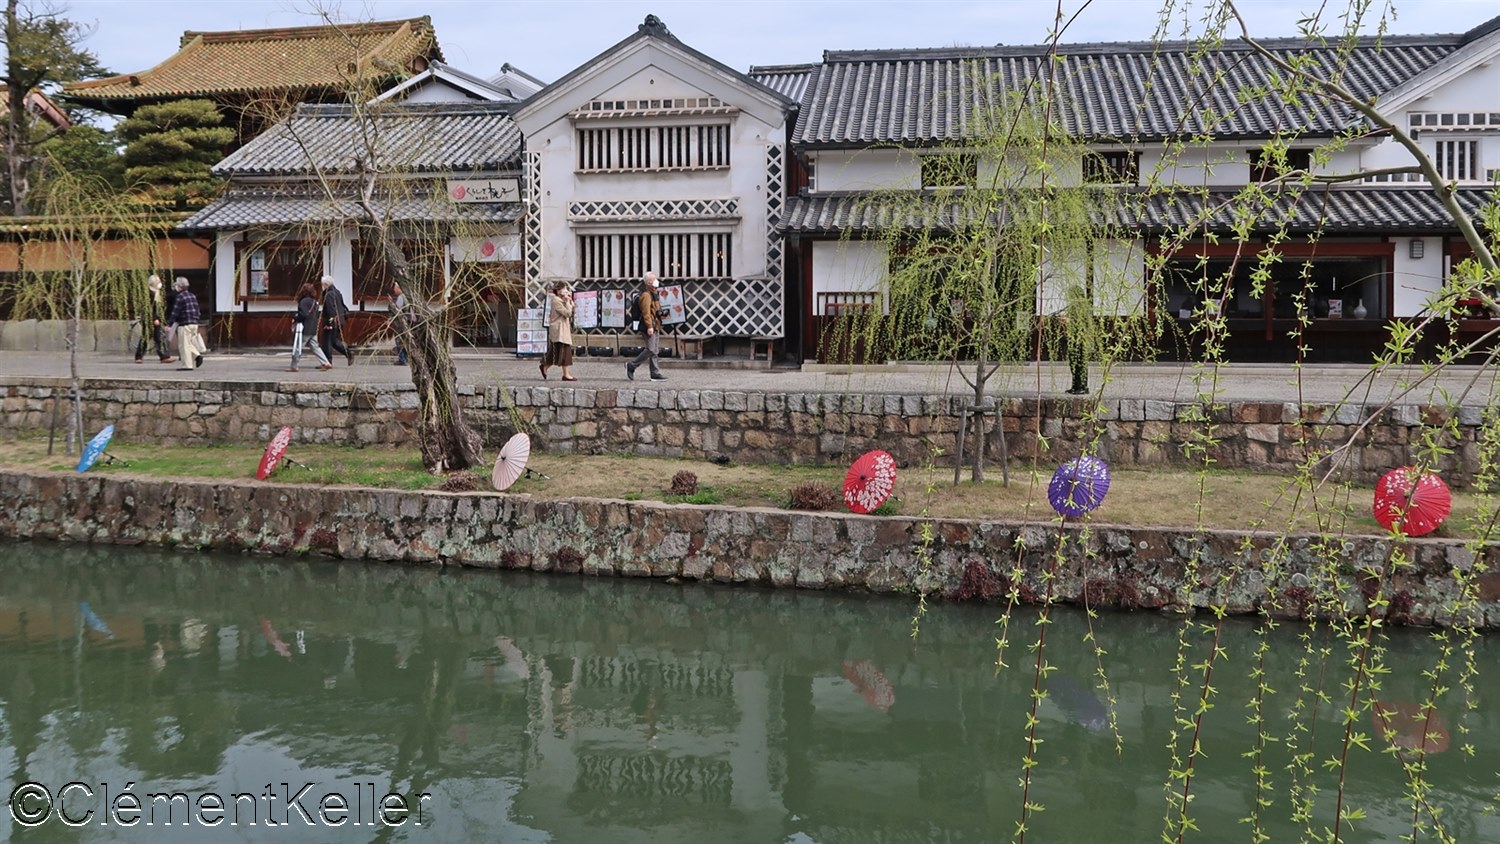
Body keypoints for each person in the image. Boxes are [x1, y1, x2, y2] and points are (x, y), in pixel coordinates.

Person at [625, 272, 667, 382]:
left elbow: (655, 310)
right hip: (649, 325)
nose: (657, 281)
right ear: (649, 283)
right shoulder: (646, 296)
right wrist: (649, 326)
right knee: (651, 349)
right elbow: (646, 313)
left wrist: (662, 314)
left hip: (656, 324)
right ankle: (632, 365)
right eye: (654, 280)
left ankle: (655, 372)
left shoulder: (654, 294)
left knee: (655, 350)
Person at [288, 281, 332, 372]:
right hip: (313, 327)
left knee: (298, 346)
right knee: (315, 346)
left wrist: (296, 317)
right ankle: (326, 362)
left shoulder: (303, 302)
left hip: (304, 328)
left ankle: (294, 366)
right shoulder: (314, 302)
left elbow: (303, 314)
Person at [134, 274, 175, 364]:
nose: (160, 283)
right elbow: (148, 308)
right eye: (158, 281)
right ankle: (163, 356)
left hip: (156, 319)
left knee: (157, 337)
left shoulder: (158, 292)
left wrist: (162, 320)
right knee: (149, 337)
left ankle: (162, 356)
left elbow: (159, 309)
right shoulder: (148, 293)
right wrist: (154, 318)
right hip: (149, 319)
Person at [167, 277, 207, 370]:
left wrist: (170, 324)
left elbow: (175, 312)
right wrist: (196, 320)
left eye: (176, 285)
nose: (175, 286)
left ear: (180, 286)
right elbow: (197, 310)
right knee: (189, 343)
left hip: (184, 324)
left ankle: (188, 365)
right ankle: (196, 357)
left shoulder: (180, 297)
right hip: (194, 323)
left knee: (184, 345)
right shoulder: (192, 295)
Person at [540, 280, 577, 381]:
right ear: (558, 290)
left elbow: (572, 309)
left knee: (556, 351)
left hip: (562, 330)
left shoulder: (561, 300)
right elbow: (567, 313)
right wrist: (567, 302)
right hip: (559, 330)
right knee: (564, 351)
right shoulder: (556, 301)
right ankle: (566, 374)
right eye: (564, 289)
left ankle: (545, 366)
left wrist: (569, 301)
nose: (566, 291)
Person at [1063, 285, 1092, 395]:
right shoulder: (1075, 306)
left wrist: (1069, 321)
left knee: (1079, 363)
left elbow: (1081, 323)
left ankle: (1082, 387)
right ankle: (1076, 386)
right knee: (1075, 363)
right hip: (1075, 338)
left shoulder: (1081, 307)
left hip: (1079, 339)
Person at [319, 275, 354, 366]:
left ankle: (327, 362)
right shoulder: (337, 292)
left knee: (327, 342)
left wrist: (329, 323)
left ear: (326, 285)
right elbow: (342, 306)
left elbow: (331, 310)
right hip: (339, 321)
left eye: (322, 285)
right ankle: (348, 353)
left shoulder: (329, 294)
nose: (322, 287)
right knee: (333, 341)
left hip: (333, 321)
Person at [391, 282, 408, 366]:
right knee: (404, 341)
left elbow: (397, 310)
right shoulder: (404, 297)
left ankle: (402, 359)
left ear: (399, 288)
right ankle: (405, 358)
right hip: (405, 323)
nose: (394, 289)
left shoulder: (401, 298)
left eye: (395, 288)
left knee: (399, 341)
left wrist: (391, 303)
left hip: (401, 324)